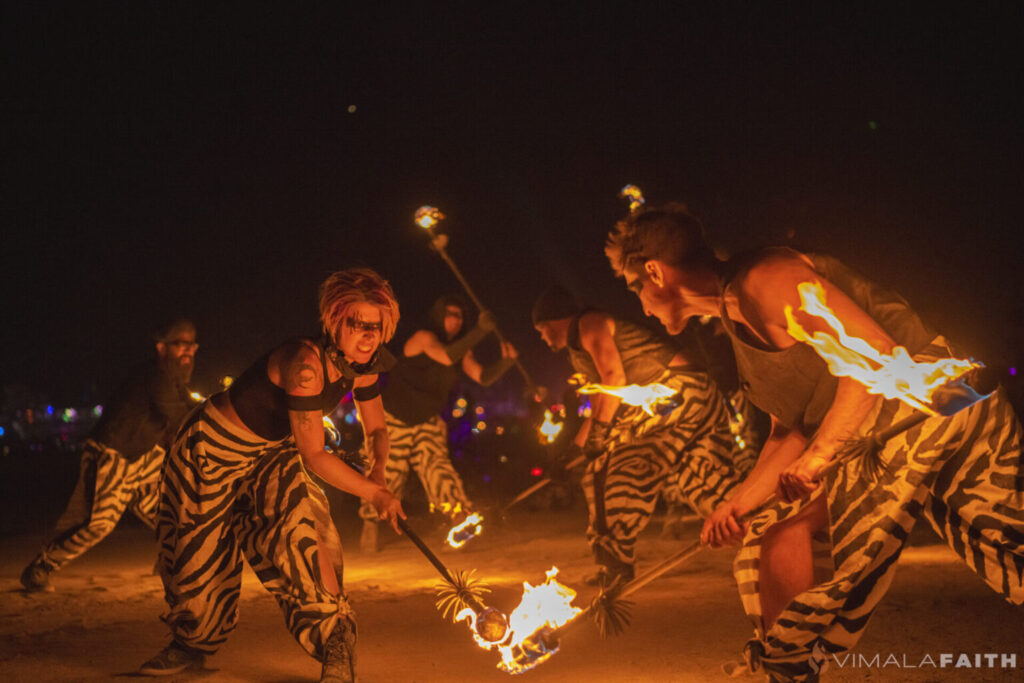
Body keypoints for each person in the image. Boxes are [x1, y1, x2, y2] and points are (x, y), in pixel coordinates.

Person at [606, 203, 1023, 681]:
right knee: (1009, 546)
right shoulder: (735, 315)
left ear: (655, 272)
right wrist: (736, 505)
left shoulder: (765, 278)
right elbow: (789, 432)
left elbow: (875, 357)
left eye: (634, 286)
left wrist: (820, 456)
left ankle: (789, 670)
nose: (639, 303)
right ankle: (789, 669)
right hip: (893, 420)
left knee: (787, 533)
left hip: (933, 403)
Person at [139, 268, 406, 683]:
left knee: (303, 530)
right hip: (210, 451)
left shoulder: (362, 366)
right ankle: (190, 645)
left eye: (375, 325)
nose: (368, 335)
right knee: (199, 557)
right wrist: (374, 495)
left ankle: (335, 641)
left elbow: (377, 429)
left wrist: (378, 471)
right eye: (357, 323)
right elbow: (315, 455)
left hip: (269, 453)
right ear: (335, 320)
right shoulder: (305, 366)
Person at [532, 285, 751, 587]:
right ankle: (763, 528)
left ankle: (616, 563)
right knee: (701, 478)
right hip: (695, 395)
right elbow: (600, 401)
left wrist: (597, 442)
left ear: (556, 320)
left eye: (542, 329)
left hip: (676, 394)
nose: (542, 338)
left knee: (612, 468)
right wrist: (575, 451)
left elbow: (614, 379)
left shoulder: (588, 323)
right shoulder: (578, 350)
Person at [20, 318, 198, 592]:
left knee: (167, 509)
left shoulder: (171, 378)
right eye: (180, 345)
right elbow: (181, 416)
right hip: (113, 455)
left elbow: (192, 409)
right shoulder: (156, 376)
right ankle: (40, 568)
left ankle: (170, 559)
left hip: (142, 455)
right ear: (162, 348)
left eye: (191, 345)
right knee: (99, 524)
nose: (187, 351)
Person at [358, 295, 517, 552]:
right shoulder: (424, 338)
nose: (455, 320)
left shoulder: (461, 350)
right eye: (449, 314)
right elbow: (445, 356)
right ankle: (371, 524)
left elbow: (483, 376)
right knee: (386, 473)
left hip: (427, 421)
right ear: (438, 315)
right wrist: (481, 330)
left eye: (459, 316)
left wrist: (506, 362)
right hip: (393, 418)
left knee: (439, 470)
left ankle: (459, 522)